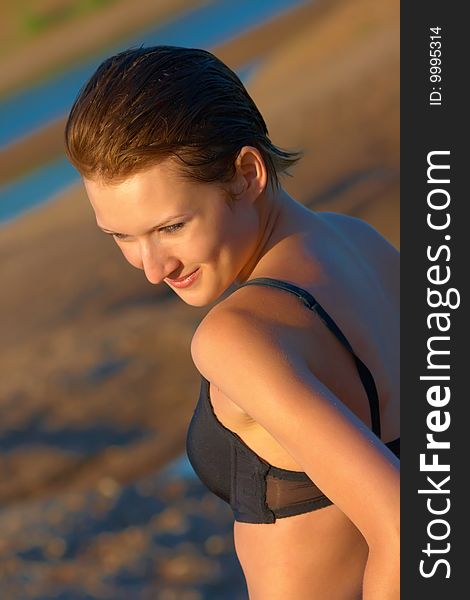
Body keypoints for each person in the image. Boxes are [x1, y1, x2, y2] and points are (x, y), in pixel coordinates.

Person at [65, 45, 399, 599]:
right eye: (122, 236)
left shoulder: (238, 336)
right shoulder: (362, 244)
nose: (152, 270)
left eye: (171, 226)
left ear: (246, 173)